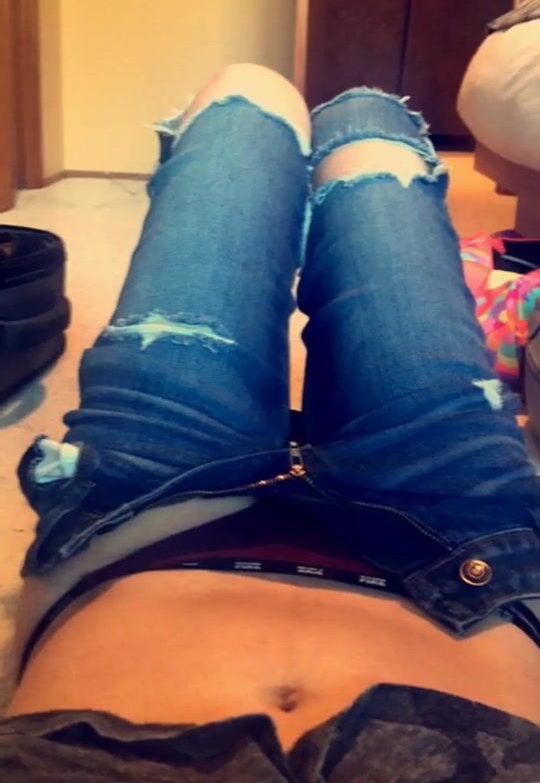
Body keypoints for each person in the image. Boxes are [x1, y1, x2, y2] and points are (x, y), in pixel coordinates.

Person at [1, 65, 539, 781]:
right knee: (368, 122)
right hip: (464, 540)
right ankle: (355, 107)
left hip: (141, 523)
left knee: (244, 99)